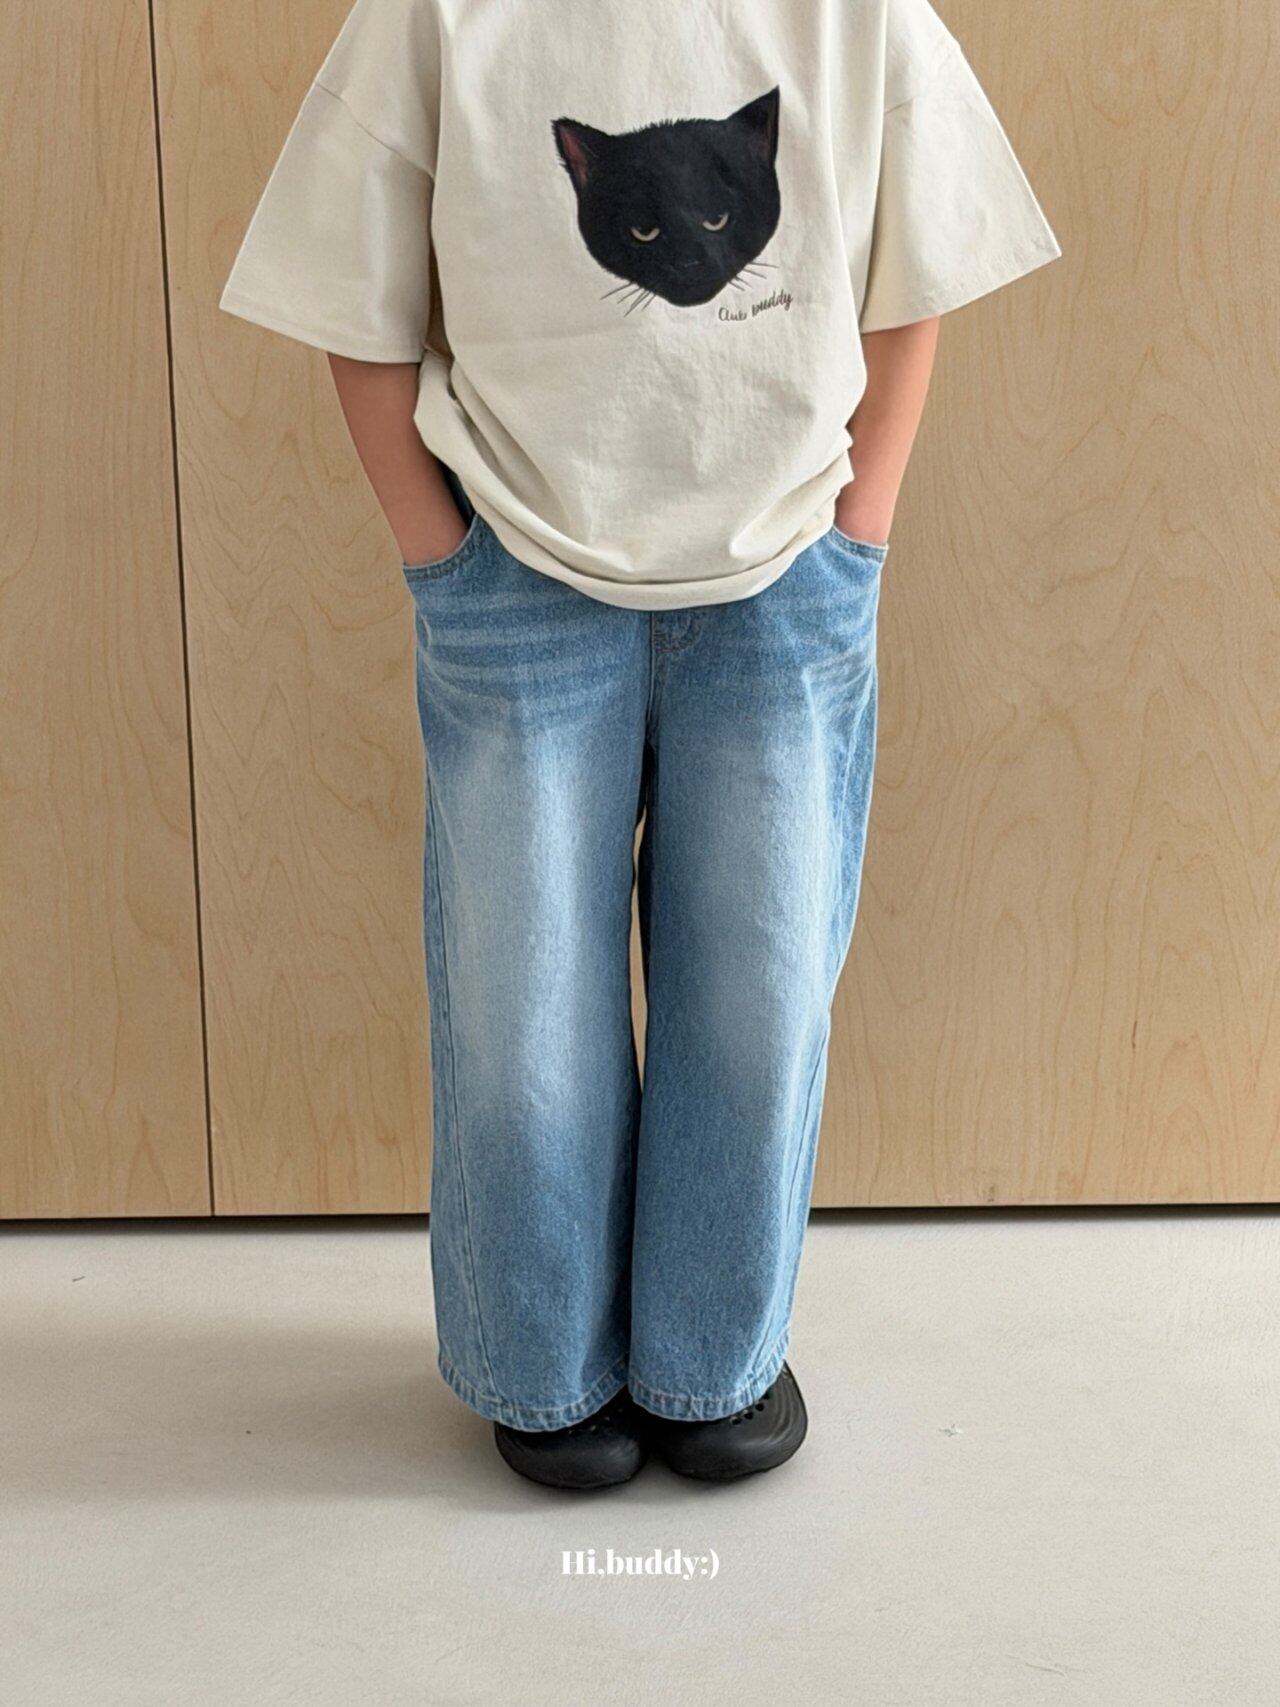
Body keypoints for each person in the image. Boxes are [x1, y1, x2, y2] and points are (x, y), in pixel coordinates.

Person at [220, 0, 1059, 1490]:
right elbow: (347, 288)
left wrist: (859, 532)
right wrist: (440, 559)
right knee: (519, 1014)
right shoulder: (437, 12)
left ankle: (710, 1362)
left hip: (785, 572)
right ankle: (540, 1369)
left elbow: (916, 262)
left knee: (760, 996)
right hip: (519, 575)